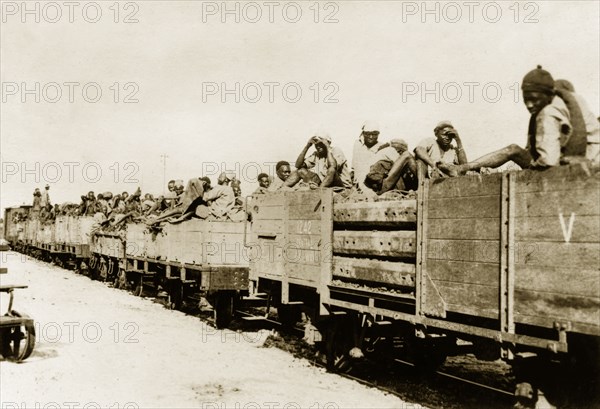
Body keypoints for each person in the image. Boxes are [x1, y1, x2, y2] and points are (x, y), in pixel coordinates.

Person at [439, 66, 600, 176]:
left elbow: (549, 161)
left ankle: (462, 169)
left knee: (513, 150)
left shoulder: (549, 112)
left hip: (574, 169)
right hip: (586, 162)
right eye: (526, 100)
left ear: (548, 94)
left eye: (534, 99)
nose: (529, 105)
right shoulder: (573, 102)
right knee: (514, 150)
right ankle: (463, 168)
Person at [284, 132, 352, 189]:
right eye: (316, 145)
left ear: (327, 143)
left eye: (320, 144)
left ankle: (319, 191)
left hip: (340, 185)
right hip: (324, 183)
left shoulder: (336, 151)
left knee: (331, 170)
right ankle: (282, 189)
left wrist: (327, 147)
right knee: (301, 171)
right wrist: (307, 146)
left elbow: (333, 166)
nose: (318, 147)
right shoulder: (317, 154)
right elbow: (298, 165)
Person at [352, 121, 382, 192]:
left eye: (374, 134)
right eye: (368, 134)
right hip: (358, 186)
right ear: (363, 134)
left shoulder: (382, 147)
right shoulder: (358, 146)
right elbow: (354, 167)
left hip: (374, 186)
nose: (371, 137)